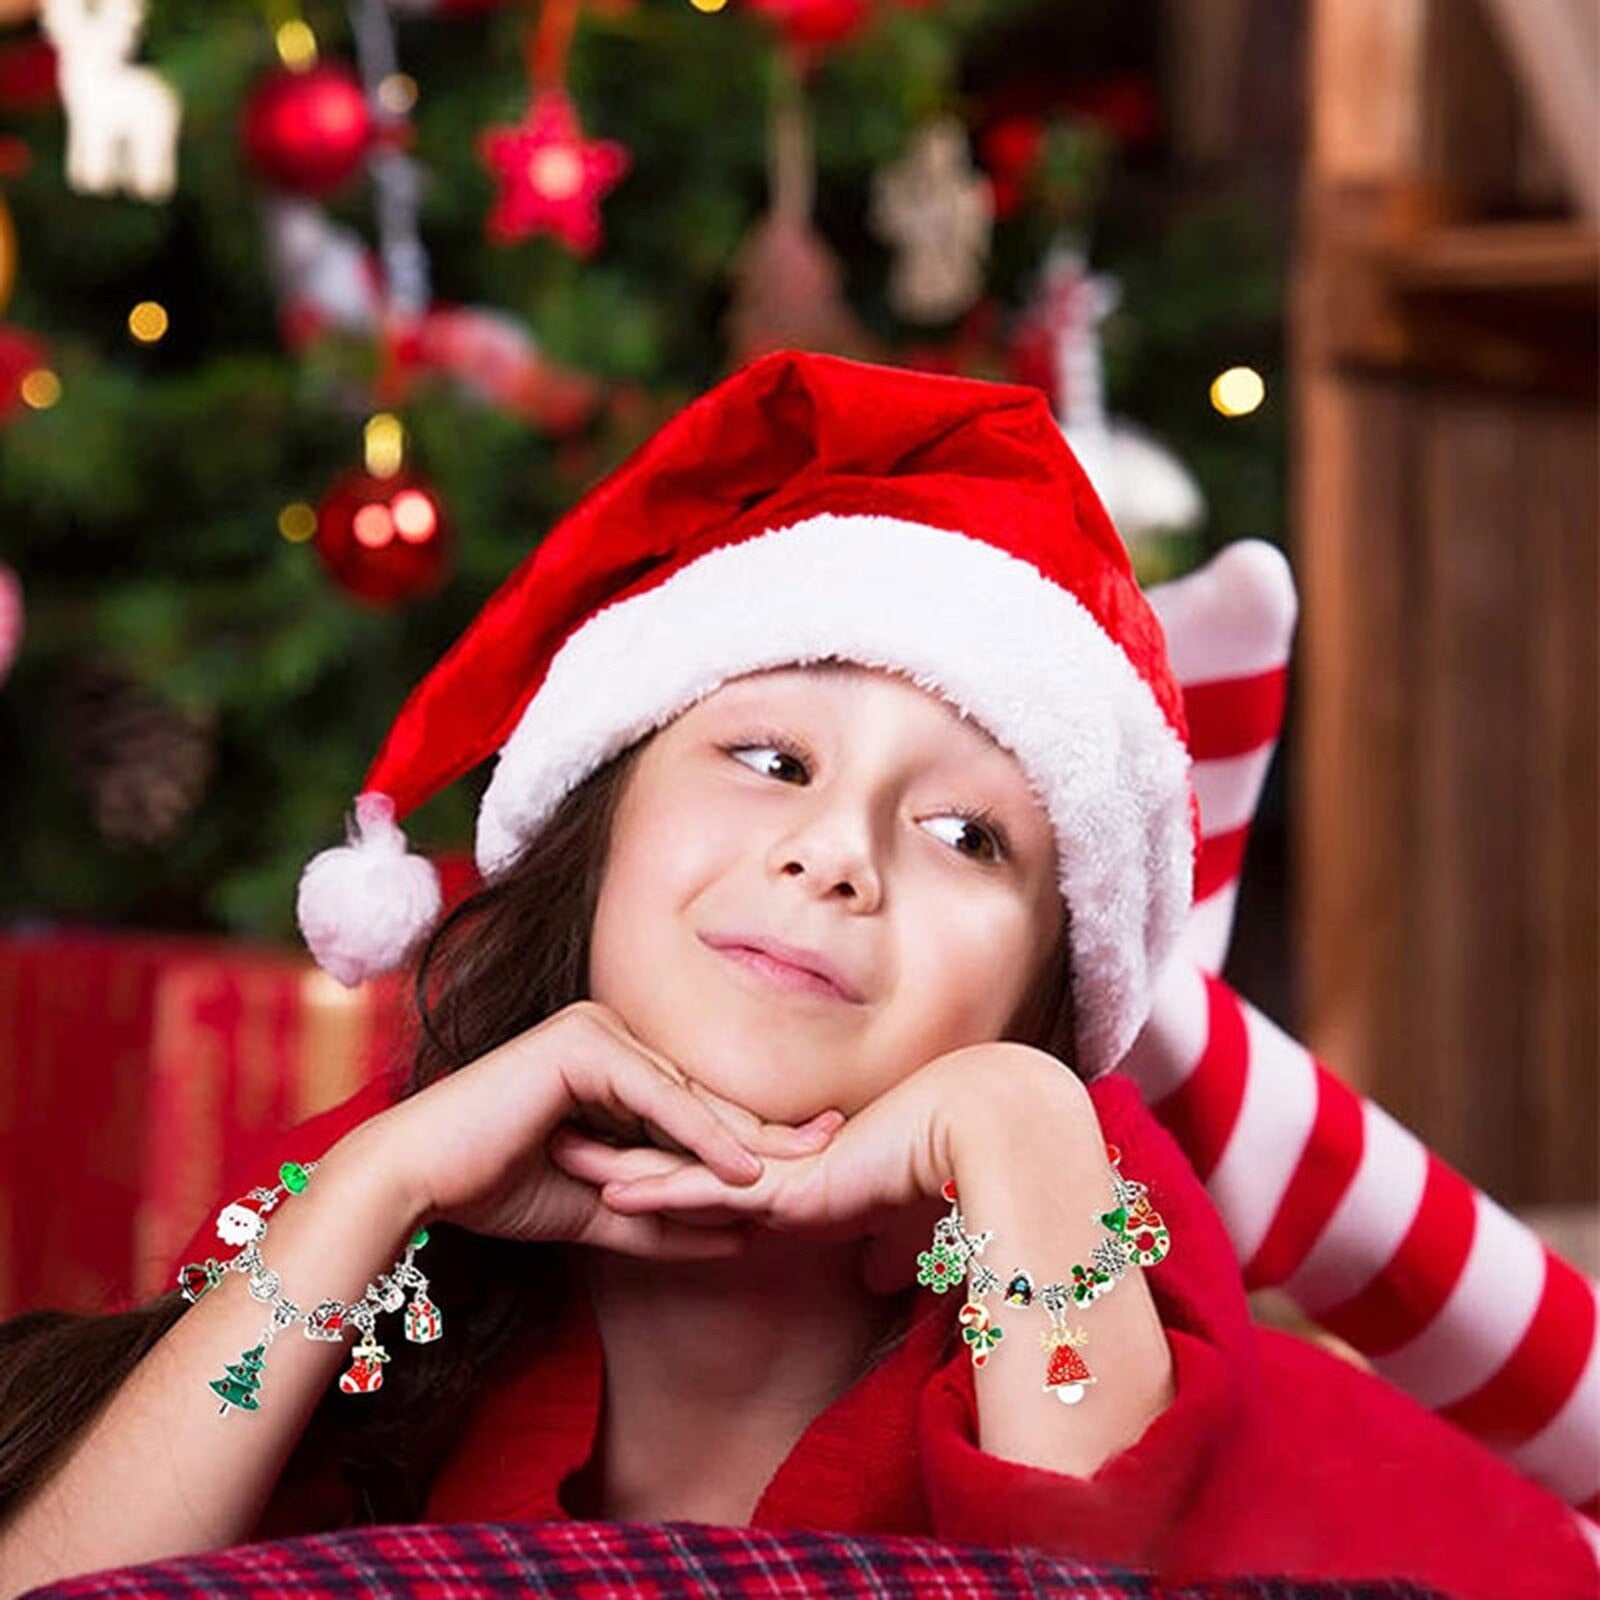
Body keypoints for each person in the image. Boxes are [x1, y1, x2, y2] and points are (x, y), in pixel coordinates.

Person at [0, 352, 1592, 1599]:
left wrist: (1024, 1122)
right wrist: (371, 1186)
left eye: (971, 837)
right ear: (598, 837)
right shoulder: (428, 1201)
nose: (842, 854)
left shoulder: (1080, 1223)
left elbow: (1084, 1573)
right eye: (767, 758)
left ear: (1048, 993)